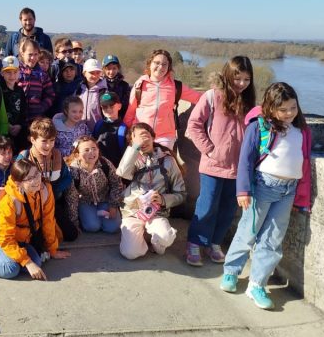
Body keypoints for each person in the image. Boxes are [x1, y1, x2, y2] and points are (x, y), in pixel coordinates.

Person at [220, 82, 312, 310]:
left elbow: (304, 164)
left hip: (288, 191)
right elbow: (245, 160)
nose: (289, 113)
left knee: (273, 238)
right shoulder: (259, 127)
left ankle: (256, 284)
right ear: (270, 108)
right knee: (248, 231)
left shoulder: (302, 131)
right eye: (283, 109)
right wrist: (243, 190)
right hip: (262, 187)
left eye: (293, 108)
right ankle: (231, 271)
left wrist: (301, 198)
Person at [185, 56, 256, 267]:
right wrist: (210, 150)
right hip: (213, 165)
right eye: (237, 78)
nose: (241, 83)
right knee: (207, 206)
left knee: (228, 209)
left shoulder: (249, 103)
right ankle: (195, 243)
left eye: (246, 79)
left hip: (238, 168)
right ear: (227, 75)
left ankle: (214, 243)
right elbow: (194, 124)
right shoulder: (212, 96)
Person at [117, 122, 185, 260]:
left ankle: (154, 240)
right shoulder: (133, 159)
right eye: (137, 138)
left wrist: (163, 199)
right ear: (132, 141)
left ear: (153, 137)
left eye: (146, 136)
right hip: (133, 210)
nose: (143, 140)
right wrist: (135, 147)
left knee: (165, 238)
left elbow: (181, 194)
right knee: (131, 253)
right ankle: (140, 236)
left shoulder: (168, 160)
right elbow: (123, 173)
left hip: (156, 212)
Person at [124, 49, 202, 151]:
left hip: (165, 136)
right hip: (141, 134)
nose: (160, 67)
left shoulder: (176, 86)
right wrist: (127, 131)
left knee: (163, 161)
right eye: (157, 63)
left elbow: (199, 98)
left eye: (164, 64)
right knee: (139, 161)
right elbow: (131, 110)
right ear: (150, 64)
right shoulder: (140, 84)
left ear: (169, 67)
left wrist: (217, 96)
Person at [16, 117, 77, 242]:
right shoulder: (24, 157)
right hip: (30, 207)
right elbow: (14, 184)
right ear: (33, 140)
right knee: (37, 240)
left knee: (71, 234)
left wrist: (52, 191)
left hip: (51, 203)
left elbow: (66, 178)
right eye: (44, 141)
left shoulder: (57, 156)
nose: (48, 145)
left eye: (52, 140)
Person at [66, 136, 123, 234]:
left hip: (105, 199)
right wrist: (74, 223)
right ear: (77, 155)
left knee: (112, 227)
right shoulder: (73, 170)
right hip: (86, 201)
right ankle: (90, 217)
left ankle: (99, 217)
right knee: (92, 227)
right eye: (86, 150)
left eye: (94, 149)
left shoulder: (105, 164)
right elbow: (72, 197)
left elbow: (117, 184)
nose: (92, 153)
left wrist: (113, 205)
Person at [17, 38, 55, 123]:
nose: (33, 58)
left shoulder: (43, 75)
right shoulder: (16, 71)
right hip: (16, 119)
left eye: (36, 54)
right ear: (22, 54)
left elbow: (50, 95)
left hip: (35, 120)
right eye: (30, 54)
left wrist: (41, 107)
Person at [0, 56, 27, 150]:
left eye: (15, 72)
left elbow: (23, 110)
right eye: (8, 72)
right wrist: (6, 125)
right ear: (2, 73)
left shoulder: (20, 90)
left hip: (19, 130)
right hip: (4, 131)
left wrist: (20, 125)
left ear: (19, 72)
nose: (12, 76)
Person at [93, 91, 127, 167]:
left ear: (119, 106)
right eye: (104, 107)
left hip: (116, 167)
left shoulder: (123, 129)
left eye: (111, 106)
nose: (108, 109)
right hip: (99, 167)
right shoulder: (98, 124)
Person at [76, 58, 107, 129]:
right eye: (91, 73)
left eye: (98, 72)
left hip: (97, 130)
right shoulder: (79, 89)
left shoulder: (104, 91)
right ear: (84, 73)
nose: (95, 76)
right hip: (79, 130)